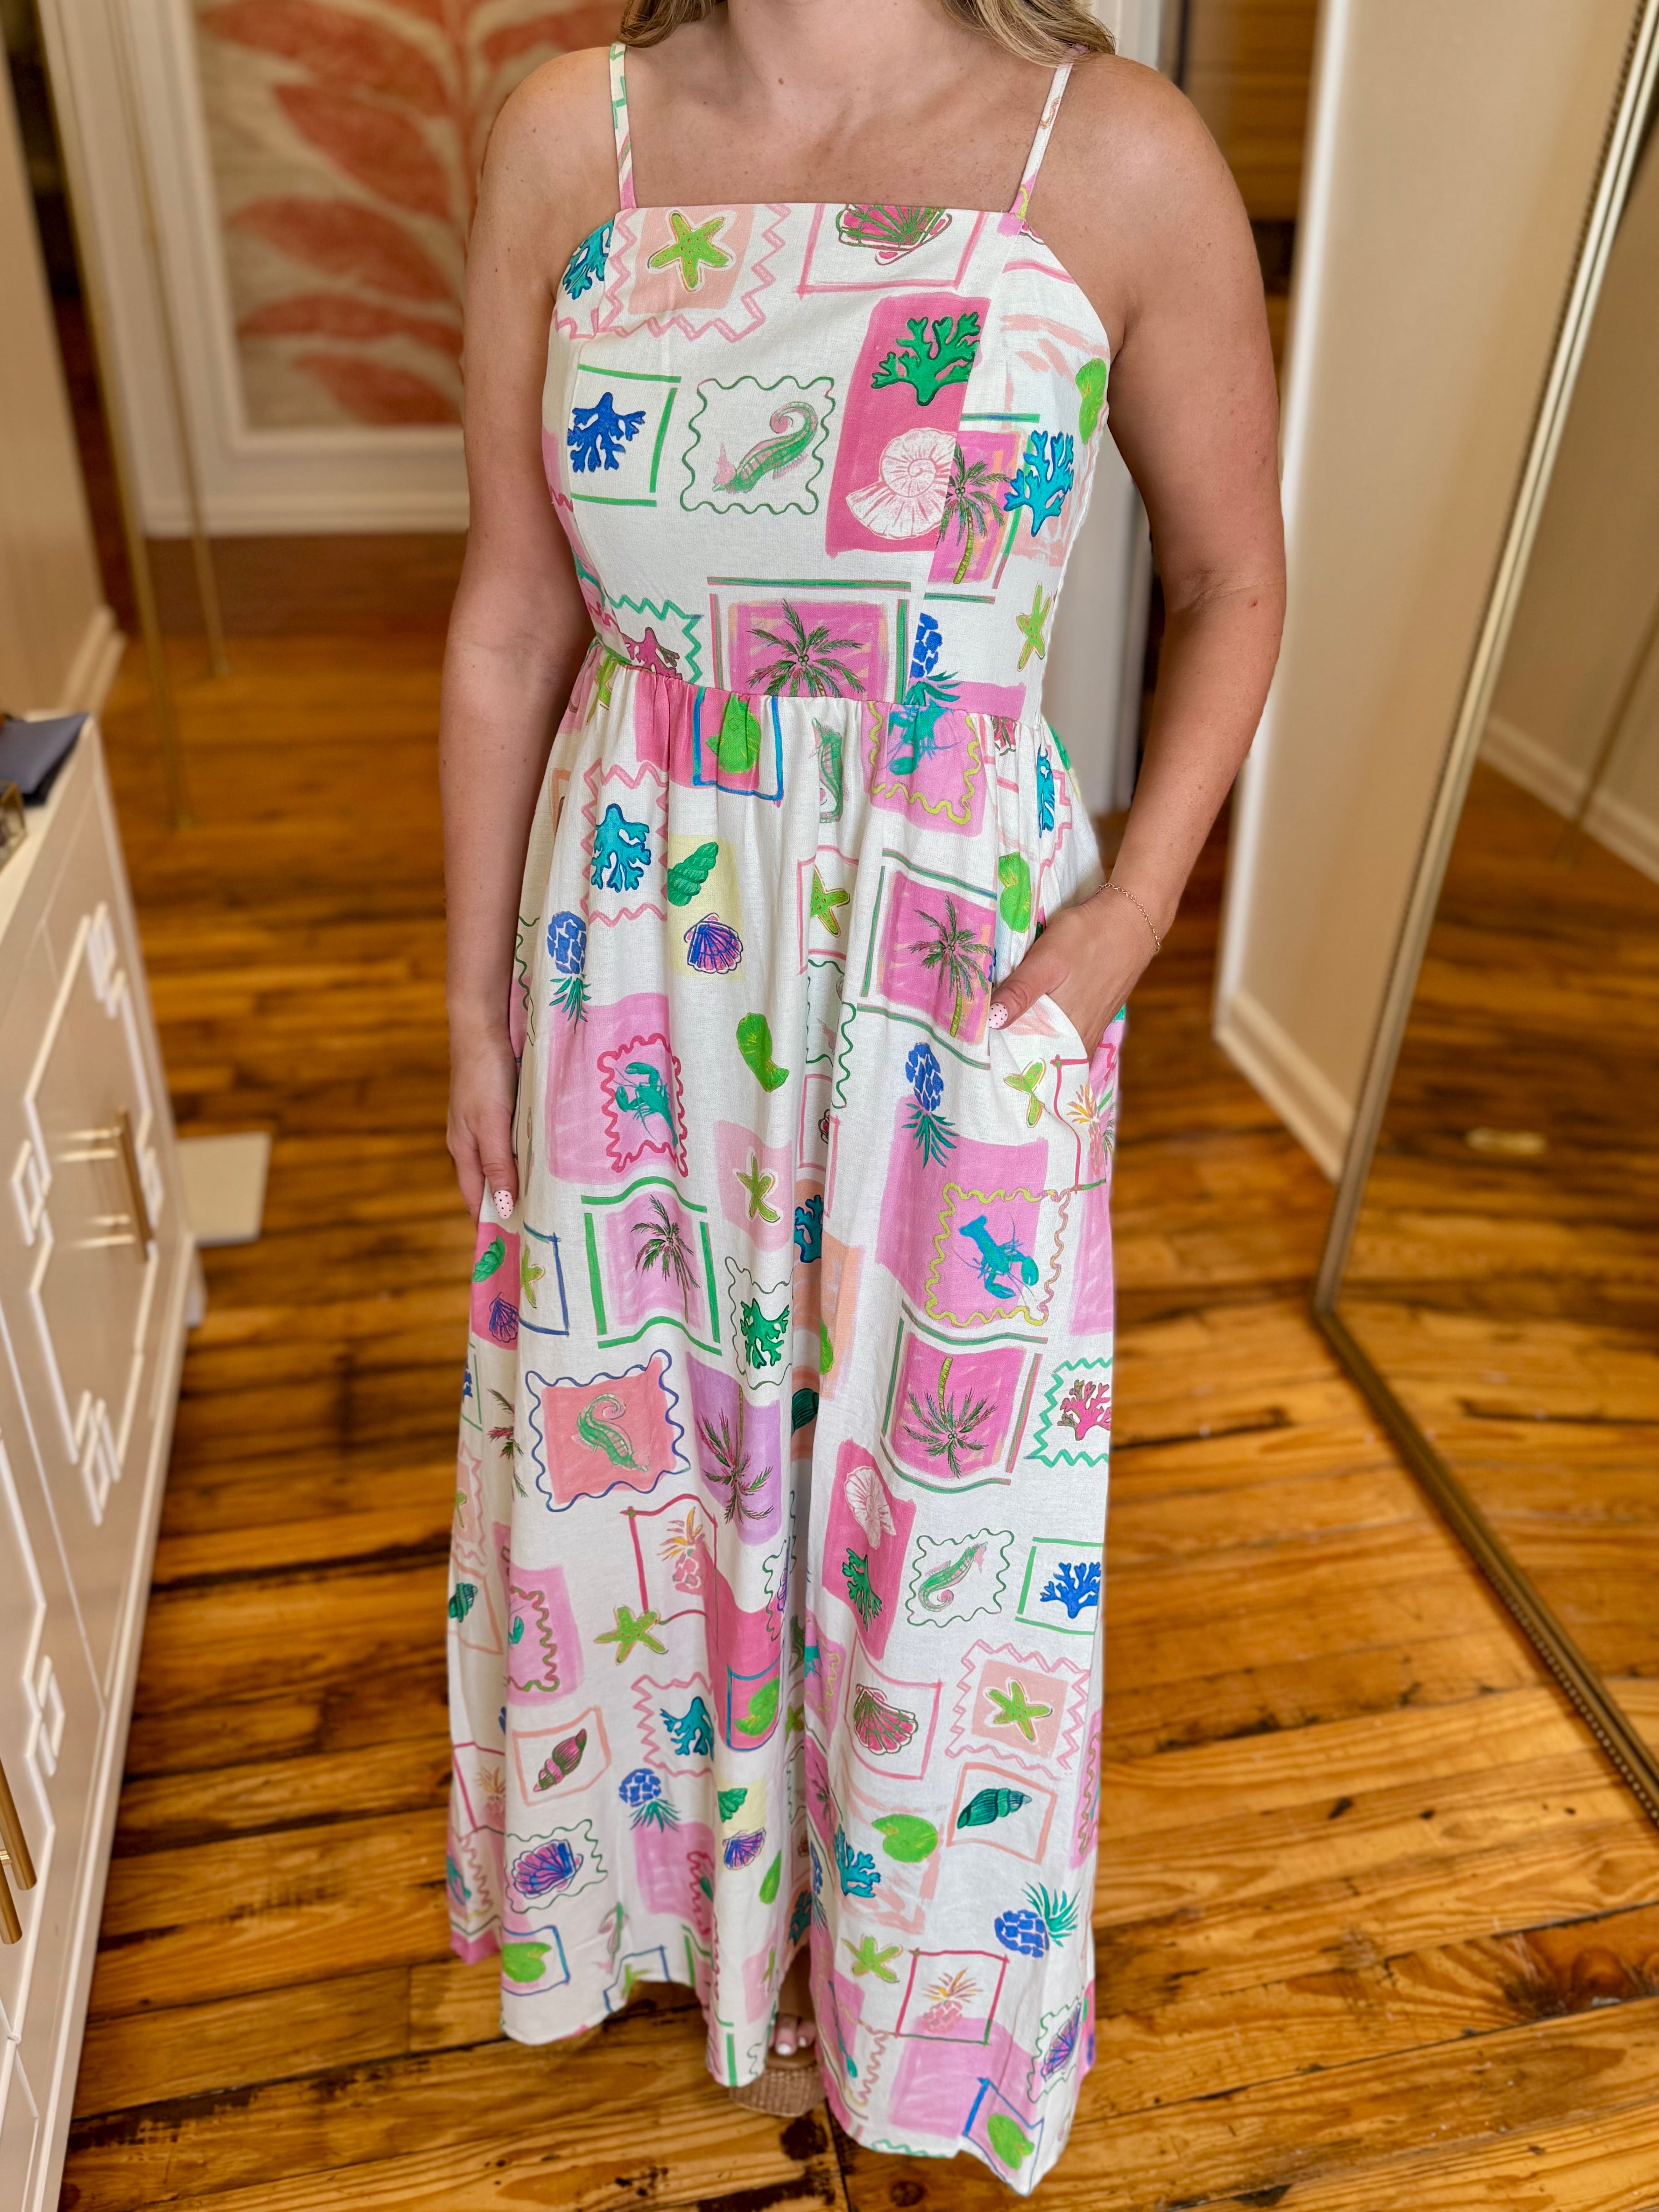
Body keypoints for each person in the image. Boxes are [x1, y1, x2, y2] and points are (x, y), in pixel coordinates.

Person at [441, 0, 1282, 2188]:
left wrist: (1131, 920)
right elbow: (512, 617)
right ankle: (693, 1930)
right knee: (657, 1462)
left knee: (941, 1517)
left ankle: (908, 2005)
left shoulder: (1116, 157)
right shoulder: (568, 142)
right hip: (638, 942)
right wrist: (473, 1009)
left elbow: (1234, 576)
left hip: (953, 962)